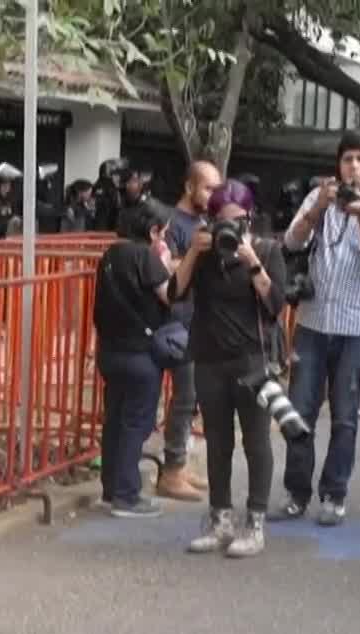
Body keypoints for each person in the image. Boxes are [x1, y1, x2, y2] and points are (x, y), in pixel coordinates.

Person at [278, 130, 360, 526]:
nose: (353, 167)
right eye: (347, 159)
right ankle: (297, 492)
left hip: (357, 326)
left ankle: (334, 493)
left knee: (345, 415)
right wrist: (318, 208)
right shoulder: (321, 197)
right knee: (298, 411)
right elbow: (292, 241)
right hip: (313, 322)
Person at [171, 180, 290, 556]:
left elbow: (275, 304)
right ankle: (220, 518)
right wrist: (192, 251)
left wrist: (251, 259)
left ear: (250, 219)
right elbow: (174, 293)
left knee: (256, 441)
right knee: (218, 442)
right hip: (209, 357)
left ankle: (254, 522)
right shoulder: (203, 255)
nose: (229, 227)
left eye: (237, 221)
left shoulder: (267, 249)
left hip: (253, 359)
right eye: (220, 220)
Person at [93, 202, 178, 518]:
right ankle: (127, 496)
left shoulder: (110, 256)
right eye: (163, 234)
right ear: (152, 231)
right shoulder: (145, 256)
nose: (165, 241)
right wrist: (167, 265)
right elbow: (169, 295)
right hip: (140, 353)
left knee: (114, 419)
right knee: (134, 423)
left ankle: (110, 488)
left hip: (110, 351)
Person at [157, 159, 224, 503]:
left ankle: (178, 466)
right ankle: (171, 471)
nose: (214, 196)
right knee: (184, 397)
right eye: (208, 188)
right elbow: (165, 268)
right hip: (174, 321)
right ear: (189, 187)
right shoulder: (172, 224)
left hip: (197, 321)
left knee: (190, 397)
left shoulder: (204, 221)